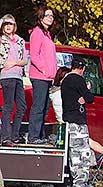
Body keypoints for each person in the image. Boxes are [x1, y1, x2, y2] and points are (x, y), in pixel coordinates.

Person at [61, 58, 95, 187]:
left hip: (68, 119)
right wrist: (86, 90)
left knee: (72, 152)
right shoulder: (78, 80)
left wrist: (81, 98)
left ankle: (74, 180)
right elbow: (90, 98)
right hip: (78, 121)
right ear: (82, 69)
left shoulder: (65, 81)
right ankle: (80, 183)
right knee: (82, 152)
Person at [28, 6, 57, 144]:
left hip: (48, 78)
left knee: (45, 108)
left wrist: (53, 73)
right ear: (41, 17)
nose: (50, 18)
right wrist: (44, 69)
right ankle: (33, 136)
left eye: (52, 16)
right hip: (39, 76)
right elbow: (34, 55)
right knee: (38, 107)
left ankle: (40, 135)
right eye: (47, 15)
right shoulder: (37, 33)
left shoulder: (47, 34)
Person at [0, 14, 28, 146]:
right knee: (8, 106)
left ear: (14, 26)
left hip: (18, 76)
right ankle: (6, 137)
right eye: (5, 24)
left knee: (21, 107)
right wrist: (7, 64)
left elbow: (25, 60)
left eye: (10, 24)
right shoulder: (1, 40)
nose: (8, 26)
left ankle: (15, 135)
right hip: (7, 76)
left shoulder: (20, 41)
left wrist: (14, 63)